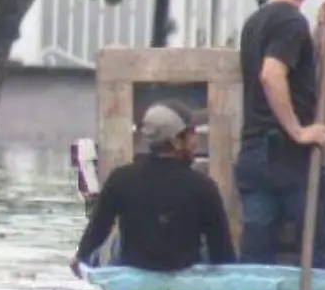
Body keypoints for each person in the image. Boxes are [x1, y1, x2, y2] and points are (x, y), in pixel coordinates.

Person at [233, 0, 325, 268]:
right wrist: (297, 131)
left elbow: (292, 65)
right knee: (318, 249)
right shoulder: (291, 23)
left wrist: (323, 29)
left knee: (257, 259)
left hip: (255, 153)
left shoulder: (256, 22)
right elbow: (272, 73)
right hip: (287, 157)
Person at [70, 102, 235, 276]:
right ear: (176, 142)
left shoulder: (121, 178)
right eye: (192, 133)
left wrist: (80, 256)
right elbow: (222, 253)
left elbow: (99, 227)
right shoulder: (203, 186)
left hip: (134, 267)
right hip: (183, 270)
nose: (196, 140)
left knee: (115, 243)